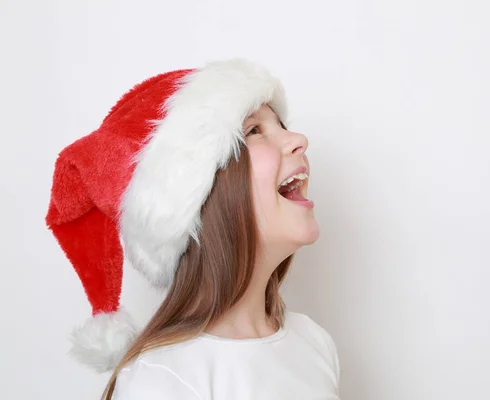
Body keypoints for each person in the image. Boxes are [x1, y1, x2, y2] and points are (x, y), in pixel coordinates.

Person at [45, 59, 340, 399]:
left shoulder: (314, 344)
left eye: (282, 124)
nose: (298, 139)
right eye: (255, 130)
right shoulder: (163, 381)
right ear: (198, 197)